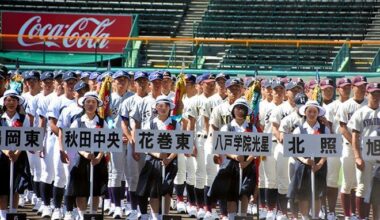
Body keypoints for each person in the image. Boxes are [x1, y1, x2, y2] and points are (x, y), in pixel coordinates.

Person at [209, 98, 257, 219]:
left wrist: (247, 162)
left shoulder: (252, 128)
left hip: (248, 165)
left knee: (245, 192)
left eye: (243, 109)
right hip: (231, 164)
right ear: (233, 111)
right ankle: (231, 216)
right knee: (232, 193)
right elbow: (221, 147)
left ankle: (243, 215)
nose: (240, 111)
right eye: (238, 108)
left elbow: (257, 148)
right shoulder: (226, 128)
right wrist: (235, 156)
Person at [135, 95, 179, 220]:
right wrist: (157, 155)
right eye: (160, 105)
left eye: (165, 105)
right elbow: (144, 144)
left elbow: (180, 144)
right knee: (154, 190)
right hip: (153, 160)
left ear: (170, 107)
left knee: (167, 189)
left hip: (171, 160)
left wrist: (169, 158)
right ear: (156, 108)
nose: (163, 108)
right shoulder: (150, 124)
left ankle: (165, 215)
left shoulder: (176, 124)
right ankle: (155, 216)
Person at [66, 91, 108, 220]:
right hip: (81, 160)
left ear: (97, 105)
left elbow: (107, 142)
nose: (90, 105)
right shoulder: (77, 122)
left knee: (96, 191)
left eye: (93, 102)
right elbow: (72, 141)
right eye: (88, 102)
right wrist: (85, 154)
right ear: (83, 104)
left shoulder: (102, 122)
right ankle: (82, 215)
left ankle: (93, 214)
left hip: (97, 160)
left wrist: (99, 157)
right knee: (80, 191)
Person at [288, 100, 330, 220]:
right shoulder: (298, 130)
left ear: (318, 113)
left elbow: (328, 149)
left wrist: (321, 163)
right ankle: (305, 217)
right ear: (305, 113)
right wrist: (304, 160)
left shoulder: (324, 129)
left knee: (317, 193)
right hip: (303, 165)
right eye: (309, 111)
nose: (312, 114)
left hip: (319, 165)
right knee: (304, 194)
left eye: (314, 111)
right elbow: (294, 150)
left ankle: (316, 216)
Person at [337, 76, 368, 220]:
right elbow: (342, 128)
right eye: (359, 85)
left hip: (368, 149)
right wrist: (356, 145)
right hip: (349, 147)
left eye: (364, 85)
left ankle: (358, 214)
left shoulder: (370, 104)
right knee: (348, 182)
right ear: (353, 87)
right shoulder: (345, 105)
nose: (362, 88)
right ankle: (348, 215)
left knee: (361, 183)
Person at [348, 82, 380, 220]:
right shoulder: (360, 112)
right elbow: (355, 137)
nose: (376, 96)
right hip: (365, 154)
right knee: (362, 188)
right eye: (373, 93)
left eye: (378, 93)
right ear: (367, 94)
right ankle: (362, 217)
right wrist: (357, 157)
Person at [0, 90, 31, 220]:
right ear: (4, 102)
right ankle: (2, 215)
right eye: (8, 100)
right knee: (2, 187)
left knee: (16, 187)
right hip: (2, 157)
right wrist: (6, 151)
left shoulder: (24, 119)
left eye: (14, 100)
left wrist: (17, 153)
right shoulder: (0, 119)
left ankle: (13, 212)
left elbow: (27, 137)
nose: (11, 102)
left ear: (18, 102)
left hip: (19, 157)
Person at [324, 77, 352, 220]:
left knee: (351, 180)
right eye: (344, 87)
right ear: (339, 89)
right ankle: (331, 211)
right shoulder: (331, 107)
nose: (346, 89)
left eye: (348, 87)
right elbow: (328, 127)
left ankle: (351, 213)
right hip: (334, 143)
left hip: (350, 144)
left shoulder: (355, 104)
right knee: (332, 180)